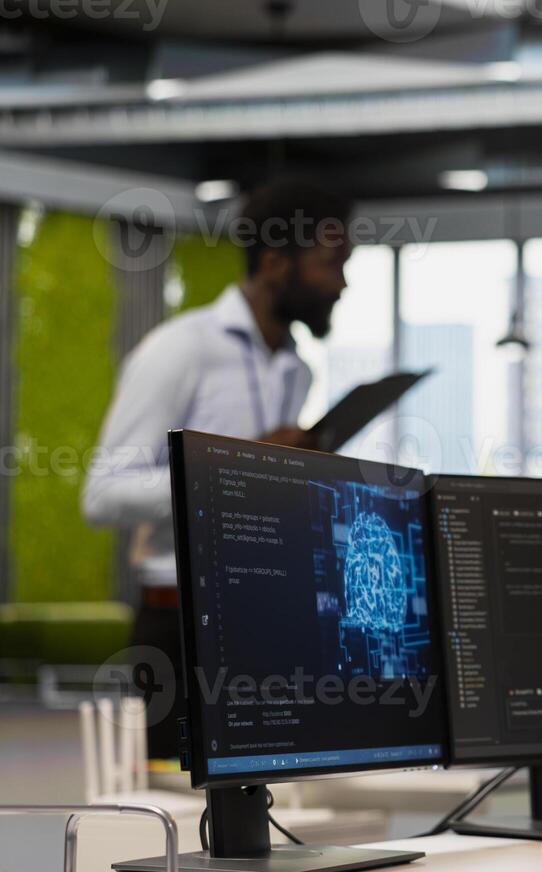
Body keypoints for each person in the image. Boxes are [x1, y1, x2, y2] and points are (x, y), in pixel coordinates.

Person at [82, 179, 354, 757]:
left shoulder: (295, 369)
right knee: (176, 815)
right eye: (333, 265)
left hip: (263, 621)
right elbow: (103, 495)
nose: (343, 284)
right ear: (278, 262)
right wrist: (238, 465)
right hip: (178, 629)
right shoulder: (180, 348)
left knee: (262, 811)